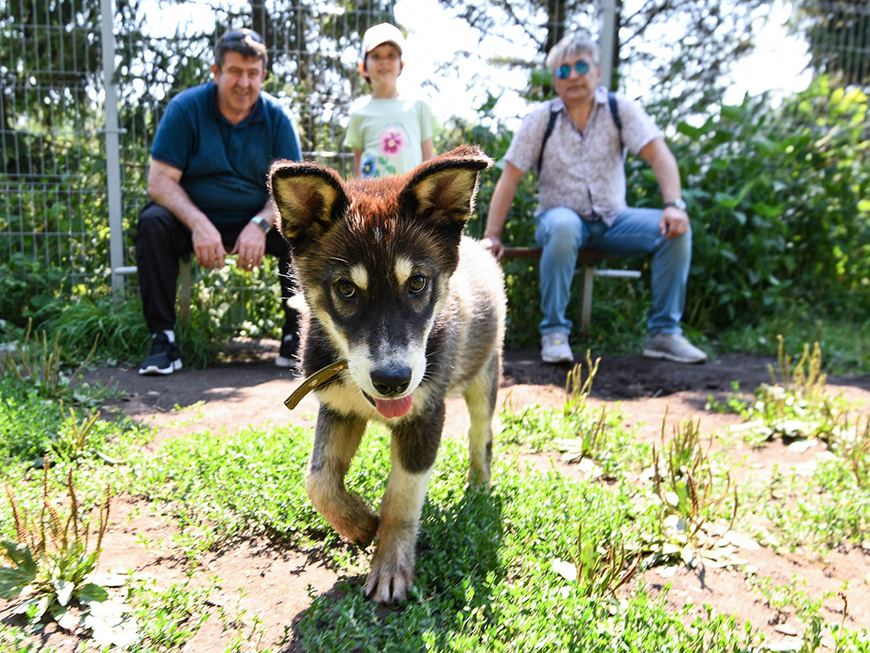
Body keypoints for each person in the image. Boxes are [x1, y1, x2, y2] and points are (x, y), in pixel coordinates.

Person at [482, 32, 707, 365]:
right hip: (558, 220)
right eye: (563, 70)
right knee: (564, 225)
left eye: (581, 66)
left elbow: (660, 156)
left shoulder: (620, 110)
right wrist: (492, 236)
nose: (572, 75)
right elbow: (510, 178)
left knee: (676, 230)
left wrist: (674, 206)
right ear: (555, 80)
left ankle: (663, 334)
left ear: (597, 73)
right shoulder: (539, 120)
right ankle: (554, 332)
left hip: (615, 220)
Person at [136, 28, 303, 375]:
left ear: (263, 76)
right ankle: (163, 339)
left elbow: (295, 193)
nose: (244, 83)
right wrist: (198, 223)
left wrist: (260, 224)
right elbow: (159, 182)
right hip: (194, 220)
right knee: (153, 222)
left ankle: (297, 338)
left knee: (304, 230)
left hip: (256, 221)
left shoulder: (278, 117)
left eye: (253, 74)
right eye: (235, 72)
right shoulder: (185, 108)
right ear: (216, 73)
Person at [344, 22, 438, 178]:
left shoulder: (418, 105)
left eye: (391, 55)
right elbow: (358, 168)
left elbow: (429, 158)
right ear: (363, 68)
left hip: (410, 200)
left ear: (401, 65)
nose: (384, 61)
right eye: (376, 56)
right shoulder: (358, 111)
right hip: (373, 199)